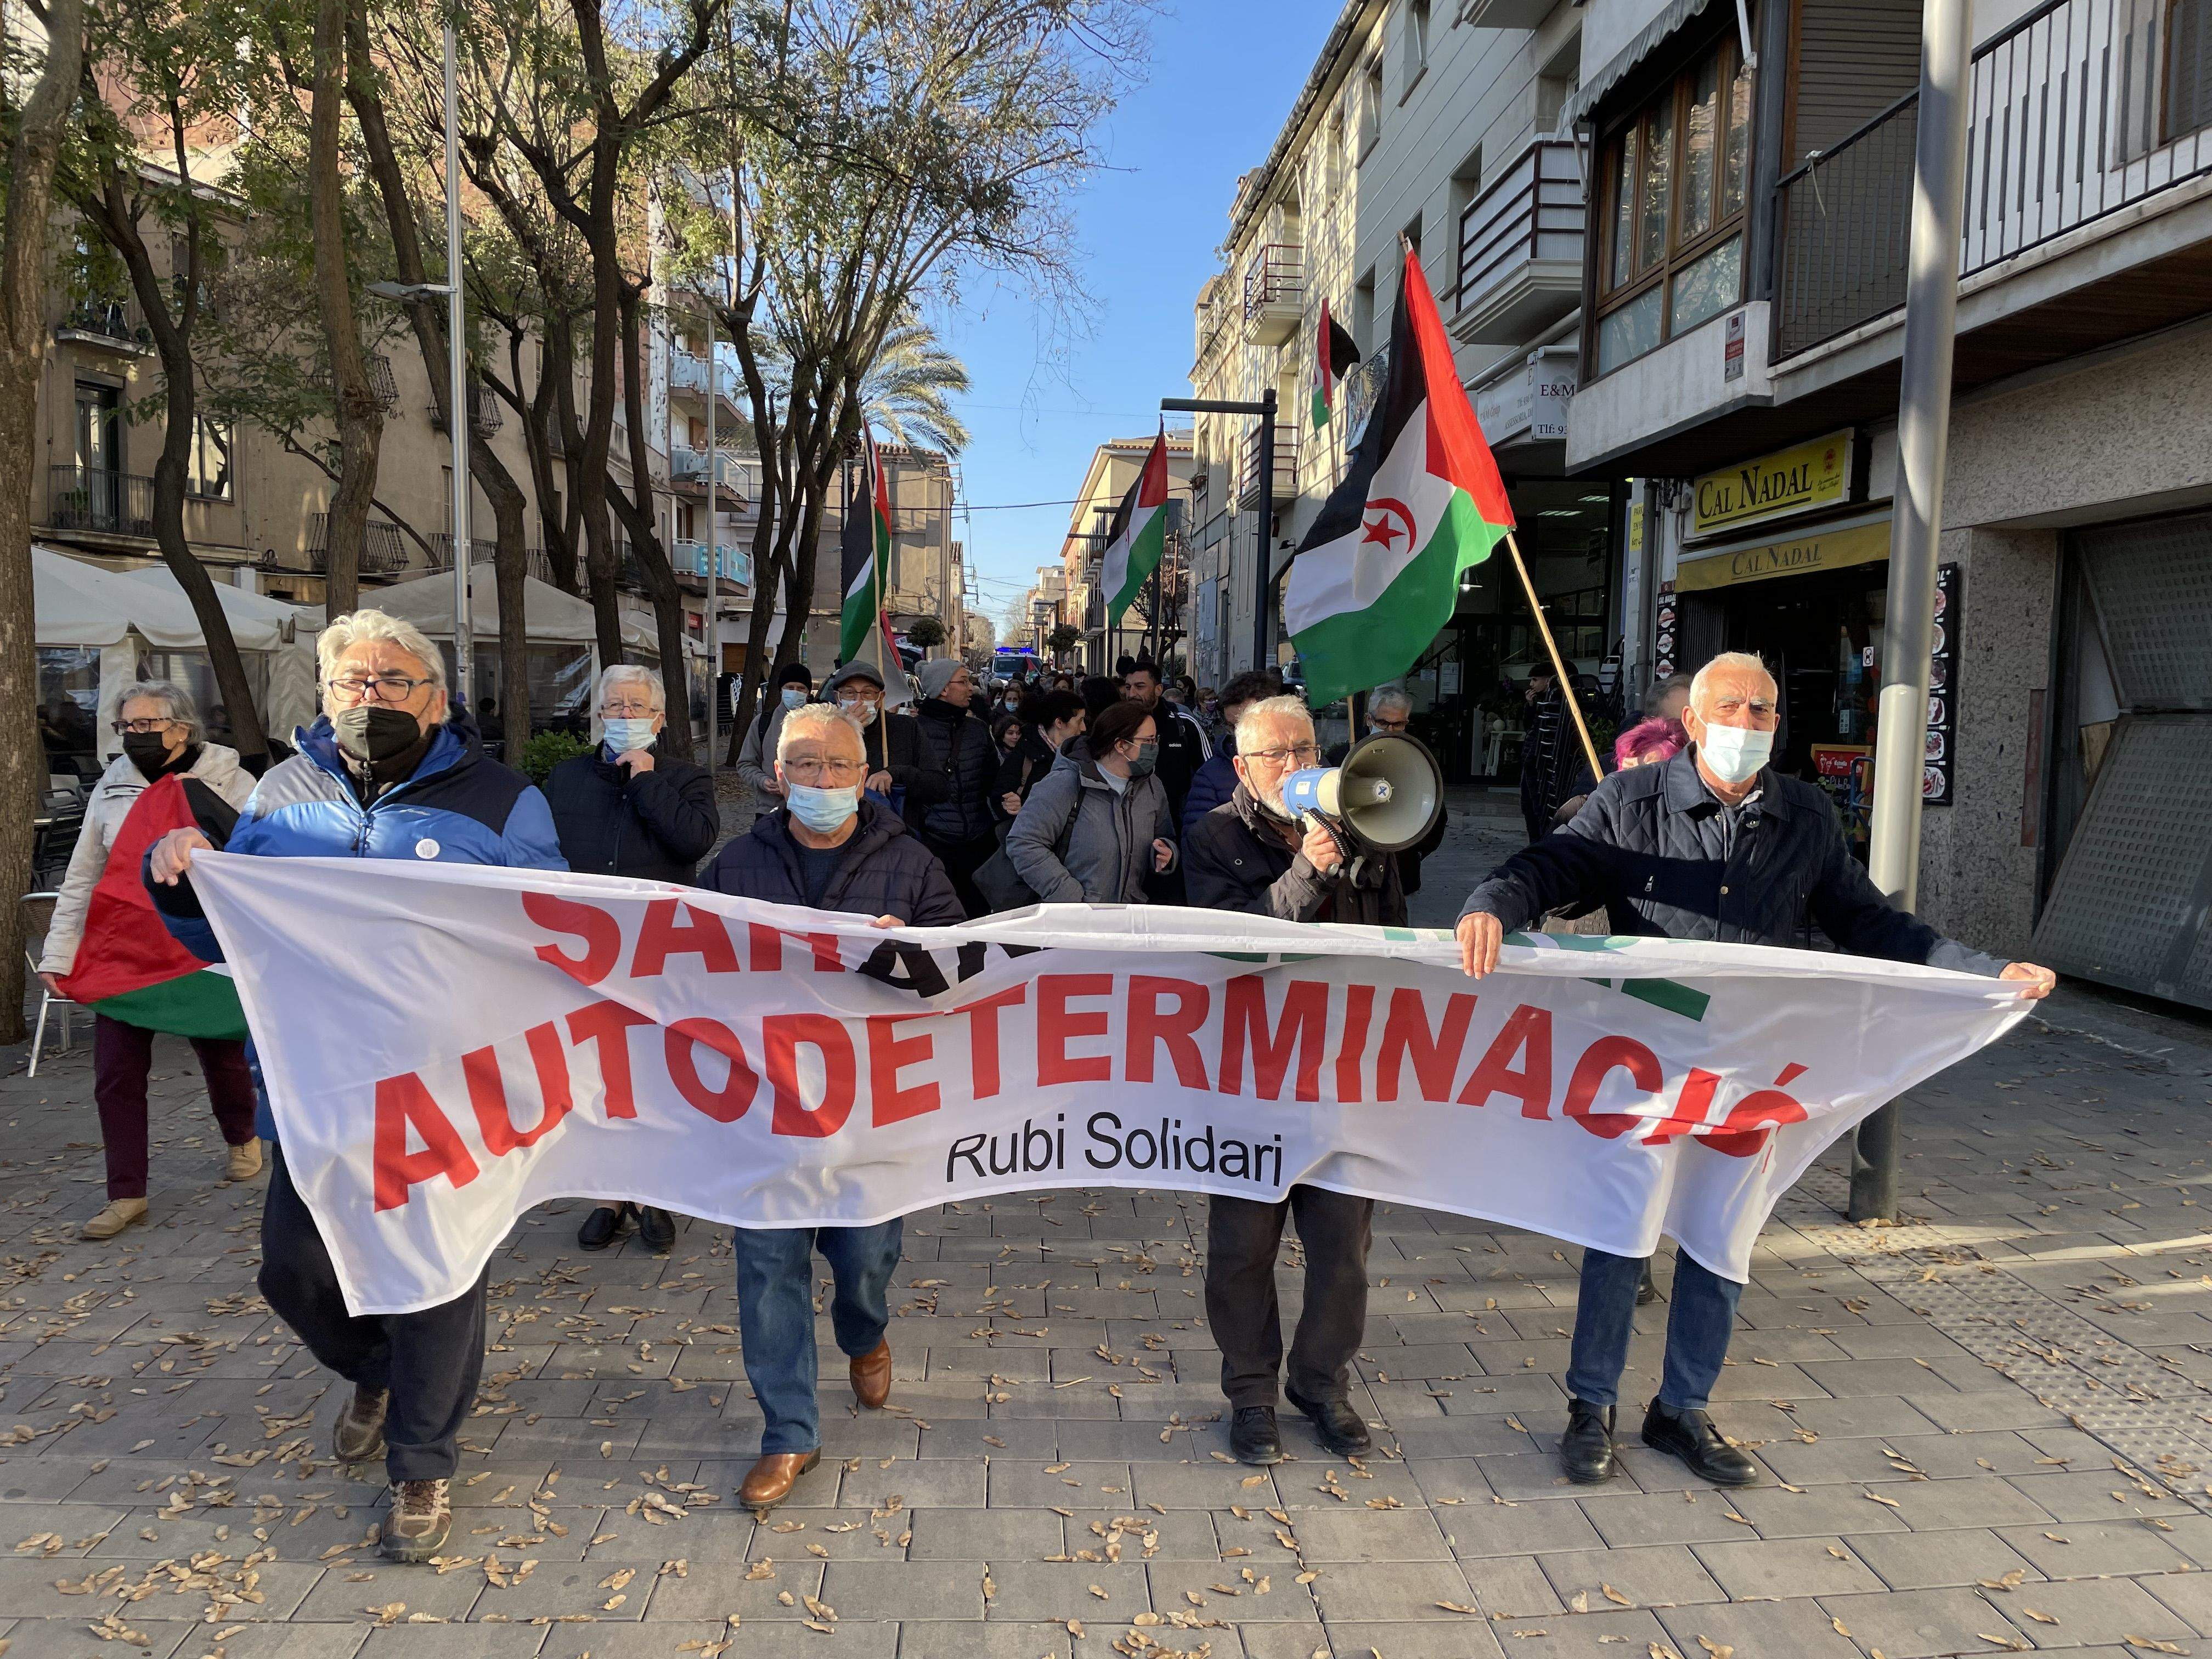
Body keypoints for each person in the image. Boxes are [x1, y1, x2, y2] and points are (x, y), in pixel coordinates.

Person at [1457, 651, 2058, 1491]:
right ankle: (1590, 1408)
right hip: (1646, 1065)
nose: (1748, 724)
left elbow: (1874, 924)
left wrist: (1982, 971)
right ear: (1695, 723)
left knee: (1718, 1236)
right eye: (1731, 708)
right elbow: (1552, 866)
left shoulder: (1805, 817)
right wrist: (1491, 902)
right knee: (1621, 1232)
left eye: (1765, 711)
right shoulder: (1631, 801)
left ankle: (1682, 1410)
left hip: (1748, 1071)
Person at [144, 608, 566, 1563]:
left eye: (391, 681)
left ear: (439, 698)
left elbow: (553, 935)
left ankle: (423, 1462)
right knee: (291, 1266)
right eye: (351, 684)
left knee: (436, 1272)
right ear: (327, 696)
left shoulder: (503, 801)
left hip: (449, 1089)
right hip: (316, 1087)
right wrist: (178, 881)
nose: (368, 698)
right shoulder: (280, 800)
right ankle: (372, 1369)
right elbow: (229, 936)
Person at [696, 704, 962, 1513]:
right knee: (767, 1266)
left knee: (864, 1259)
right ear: (779, 777)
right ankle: (789, 1433)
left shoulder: (912, 862)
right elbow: (683, 965)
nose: (822, 781)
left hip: (871, 1111)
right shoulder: (734, 864)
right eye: (805, 766)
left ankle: (865, 1331)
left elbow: (961, 966)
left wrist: (908, 953)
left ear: (863, 776)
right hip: (765, 1109)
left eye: (838, 766)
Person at [1183, 695, 1406, 1466]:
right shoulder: (1212, 839)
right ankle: (1250, 1393)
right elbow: (1231, 949)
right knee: (1243, 1248)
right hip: (1247, 1075)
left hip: (1342, 1069)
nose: (1296, 765)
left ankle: (1321, 1383)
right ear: (1243, 768)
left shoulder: (1361, 826)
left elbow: (1394, 940)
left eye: (1306, 748)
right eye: (1276, 754)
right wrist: (1307, 873)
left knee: (1343, 1247)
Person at [39, 682, 259, 1240]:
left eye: (146, 725)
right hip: (125, 954)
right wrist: (59, 953)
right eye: (127, 727)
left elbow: (261, 861)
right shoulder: (111, 787)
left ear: (182, 728)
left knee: (223, 1057)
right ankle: (126, 1192)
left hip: (197, 950)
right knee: (115, 1074)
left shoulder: (232, 781)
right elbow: (84, 874)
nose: (135, 736)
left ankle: (242, 1135)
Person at [544, 664, 718, 1255]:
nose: (625, 717)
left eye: (638, 707)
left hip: (658, 953)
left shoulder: (686, 779)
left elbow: (692, 842)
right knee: (596, 1076)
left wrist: (645, 782)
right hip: (582, 954)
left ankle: (656, 1195)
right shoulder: (564, 780)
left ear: (660, 719)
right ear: (597, 715)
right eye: (614, 706)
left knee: (652, 1074)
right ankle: (607, 1196)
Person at [1003, 699, 1176, 904]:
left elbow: (1165, 836)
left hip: (1130, 917)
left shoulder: (1151, 786)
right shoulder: (1066, 782)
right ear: (1121, 745)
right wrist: (1071, 898)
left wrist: (1167, 852)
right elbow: (1024, 843)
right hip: (1073, 922)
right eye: (1148, 741)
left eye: (1155, 740)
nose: (1155, 747)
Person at [906, 658, 996, 916]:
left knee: (979, 920)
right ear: (943, 689)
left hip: (980, 844)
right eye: (964, 681)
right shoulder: (915, 730)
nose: (972, 688)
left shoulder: (978, 730)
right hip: (935, 845)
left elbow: (993, 779)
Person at [821, 660, 940, 817]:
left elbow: (939, 786)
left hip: (897, 829)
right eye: (850, 693)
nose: (859, 701)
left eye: (867, 693)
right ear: (838, 698)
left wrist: (896, 774)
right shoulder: (823, 732)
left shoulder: (906, 728)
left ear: (880, 697)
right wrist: (846, 732)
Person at [1181, 670, 1280, 838]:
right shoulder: (1211, 775)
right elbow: (1196, 842)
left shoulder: (1301, 763)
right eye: (1232, 726)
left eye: (1247, 725)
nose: (1240, 734)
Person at [1121, 659, 1211, 821]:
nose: (1132, 694)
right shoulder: (1117, 726)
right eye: (1128, 687)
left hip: (1175, 819)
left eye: (1140, 687)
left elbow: (1209, 774)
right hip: (1127, 820)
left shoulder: (1184, 724)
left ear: (1158, 689)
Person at [735, 661, 815, 816]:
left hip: (809, 809)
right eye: (790, 688)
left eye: (801, 689)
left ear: (808, 693)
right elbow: (746, 764)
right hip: (769, 809)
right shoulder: (762, 723)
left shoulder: (818, 725)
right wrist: (763, 781)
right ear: (781, 690)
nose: (795, 692)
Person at [996, 688, 1084, 821]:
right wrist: (1016, 805)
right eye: (1079, 721)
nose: (1084, 728)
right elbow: (1000, 796)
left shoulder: (1081, 751)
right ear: (1059, 723)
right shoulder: (1027, 749)